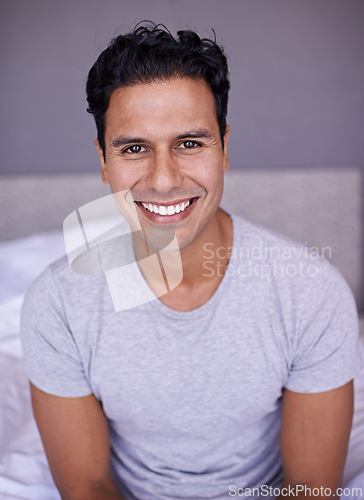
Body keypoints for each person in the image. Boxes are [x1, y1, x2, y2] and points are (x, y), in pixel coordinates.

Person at [21, 22, 362, 500]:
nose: (163, 180)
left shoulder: (311, 292)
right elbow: (87, 486)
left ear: (224, 147)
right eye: (135, 148)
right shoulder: (56, 304)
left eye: (190, 143)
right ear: (103, 160)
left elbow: (309, 490)